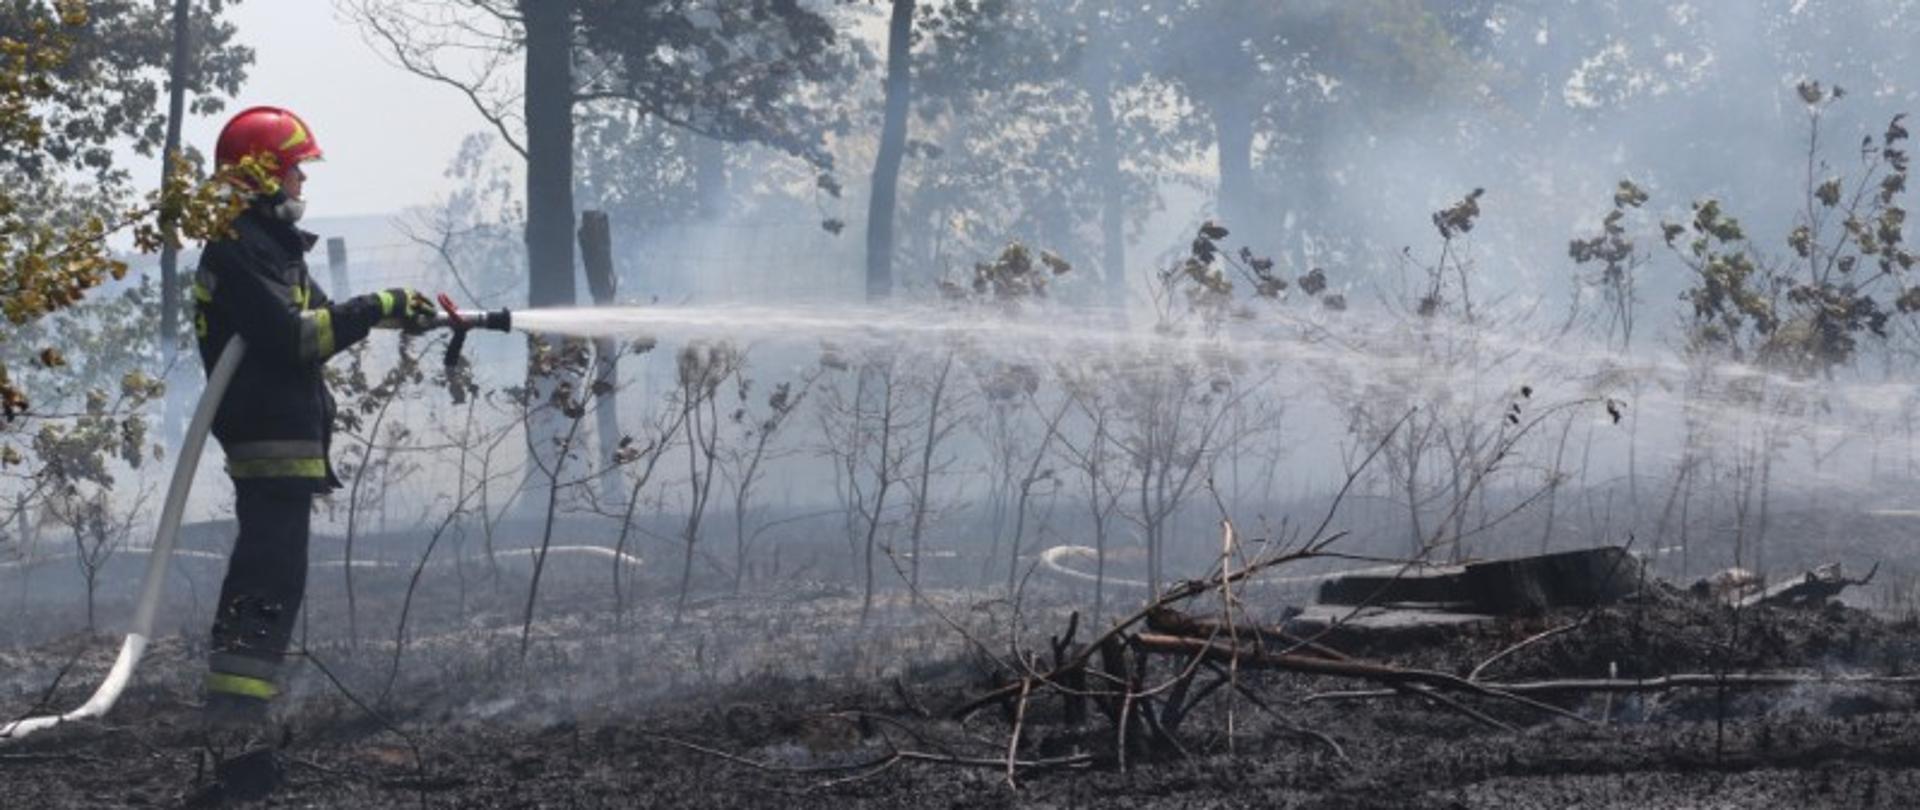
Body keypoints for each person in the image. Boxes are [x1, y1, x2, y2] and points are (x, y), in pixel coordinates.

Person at [192, 106, 437, 730]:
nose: (303, 180)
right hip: (266, 434)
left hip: (284, 433)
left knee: (277, 572)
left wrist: (398, 310)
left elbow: (324, 319)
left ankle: (241, 701)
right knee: (268, 571)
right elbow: (295, 339)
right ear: (265, 174)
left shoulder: (267, 247)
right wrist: (374, 303)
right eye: (296, 168)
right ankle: (234, 709)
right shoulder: (237, 248)